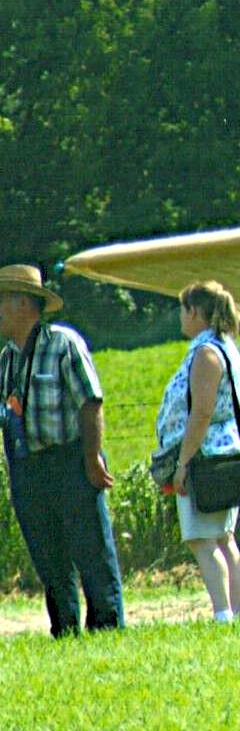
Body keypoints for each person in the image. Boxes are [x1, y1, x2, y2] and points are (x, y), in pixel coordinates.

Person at [0, 264, 123, 636]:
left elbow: (90, 402)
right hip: (27, 467)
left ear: (24, 304)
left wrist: (91, 458)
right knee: (48, 555)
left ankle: (106, 625)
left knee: (91, 551)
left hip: (70, 460)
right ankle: (64, 628)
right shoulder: (6, 359)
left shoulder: (63, 343)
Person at [157, 281, 240, 623]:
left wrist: (182, 462)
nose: (181, 317)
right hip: (228, 451)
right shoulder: (227, 347)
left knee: (203, 538)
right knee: (223, 537)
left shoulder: (206, 353)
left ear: (194, 311)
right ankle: (233, 611)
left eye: (183, 310)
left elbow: (202, 412)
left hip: (206, 456)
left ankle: (223, 613)